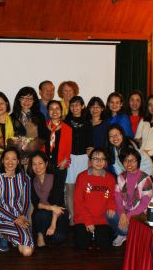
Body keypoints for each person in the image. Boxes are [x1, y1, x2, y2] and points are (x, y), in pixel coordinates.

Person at [0, 147, 34, 256]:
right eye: (7, 159)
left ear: (18, 161)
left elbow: (26, 201)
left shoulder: (25, 178)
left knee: (27, 252)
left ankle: (8, 237)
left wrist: (22, 216)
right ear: (2, 160)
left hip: (20, 216)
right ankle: (1, 234)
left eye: (14, 159)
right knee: (26, 248)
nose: (10, 162)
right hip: (3, 217)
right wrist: (15, 219)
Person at [109, 148, 153, 247]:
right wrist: (122, 214)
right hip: (124, 212)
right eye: (125, 160)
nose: (128, 163)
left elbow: (144, 203)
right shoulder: (120, 177)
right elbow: (117, 198)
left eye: (132, 160)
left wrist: (128, 215)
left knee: (128, 224)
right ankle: (123, 233)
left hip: (139, 214)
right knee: (108, 214)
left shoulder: (145, 178)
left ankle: (125, 232)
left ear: (138, 162)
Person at [73, 148, 116, 250]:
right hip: (83, 218)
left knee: (104, 245)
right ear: (90, 161)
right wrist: (88, 221)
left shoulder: (110, 178)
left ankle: (95, 237)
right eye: (95, 158)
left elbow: (112, 196)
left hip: (102, 219)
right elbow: (78, 202)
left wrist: (111, 206)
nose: (99, 162)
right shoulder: (82, 177)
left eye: (102, 159)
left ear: (106, 162)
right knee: (82, 245)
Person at [29, 151, 69, 247]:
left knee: (59, 238)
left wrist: (53, 225)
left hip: (58, 212)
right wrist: (51, 208)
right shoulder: (32, 180)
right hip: (43, 212)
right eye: (34, 164)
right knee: (40, 215)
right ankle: (40, 234)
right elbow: (35, 203)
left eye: (40, 163)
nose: (37, 167)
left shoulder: (56, 178)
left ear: (46, 164)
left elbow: (57, 203)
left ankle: (47, 230)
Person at [64, 96, 92, 224]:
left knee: (83, 189)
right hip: (70, 158)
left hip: (83, 159)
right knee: (70, 188)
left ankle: (83, 215)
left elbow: (91, 142)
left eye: (77, 105)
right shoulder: (65, 121)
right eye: (72, 105)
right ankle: (72, 217)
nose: (75, 108)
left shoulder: (88, 122)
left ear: (82, 106)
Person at [45, 100, 72, 186]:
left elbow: (69, 147)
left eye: (57, 108)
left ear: (61, 111)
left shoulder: (67, 128)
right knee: (46, 190)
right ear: (48, 111)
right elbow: (41, 146)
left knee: (59, 191)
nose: (54, 111)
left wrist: (65, 160)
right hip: (45, 165)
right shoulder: (44, 127)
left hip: (60, 164)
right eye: (51, 109)